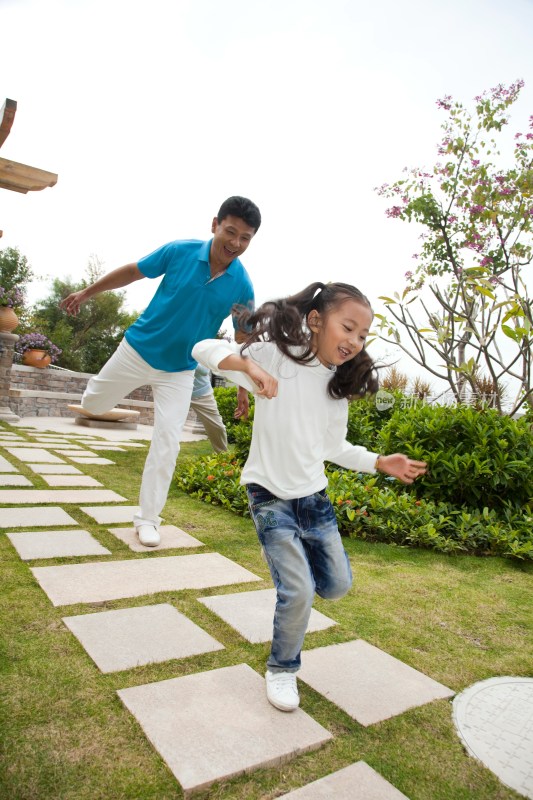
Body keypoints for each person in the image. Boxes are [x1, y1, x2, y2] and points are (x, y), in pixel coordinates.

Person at [192, 281, 427, 712]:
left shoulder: (336, 389)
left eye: (362, 336)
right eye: (349, 328)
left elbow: (333, 448)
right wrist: (250, 369)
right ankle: (282, 669)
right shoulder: (274, 357)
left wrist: (379, 461)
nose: (355, 342)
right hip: (268, 496)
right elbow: (202, 349)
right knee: (298, 592)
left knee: (337, 587)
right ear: (316, 321)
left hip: (314, 500)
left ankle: (293, 591)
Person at [60, 196, 261, 547]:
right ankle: (100, 393)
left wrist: (243, 388)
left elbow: (243, 341)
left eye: (246, 238)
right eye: (231, 232)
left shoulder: (242, 286)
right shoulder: (180, 251)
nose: (236, 243)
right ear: (214, 224)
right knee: (93, 403)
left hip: (180, 370)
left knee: (168, 441)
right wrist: (88, 292)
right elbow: (133, 271)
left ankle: (148, 519)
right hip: (137, 350)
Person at [190, 364, 228, 452]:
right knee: (168, 427)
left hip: (201, 393)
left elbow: (204, 370)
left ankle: (223, 458)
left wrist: (185, 360)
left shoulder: (199, 349)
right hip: (177, 391)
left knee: (217, 427)